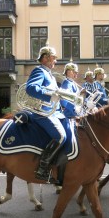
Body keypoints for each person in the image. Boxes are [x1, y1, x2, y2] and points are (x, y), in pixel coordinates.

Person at [25, 46, 76, 183]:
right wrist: (50, 94)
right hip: (43, 112)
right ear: (46, 58)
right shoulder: (39, 71)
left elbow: (58, 96)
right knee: (60, 136)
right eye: (54, 58)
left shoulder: (51, 76)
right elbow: (31, 88)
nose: (55, 61)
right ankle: (42, 168)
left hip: (54, 112)